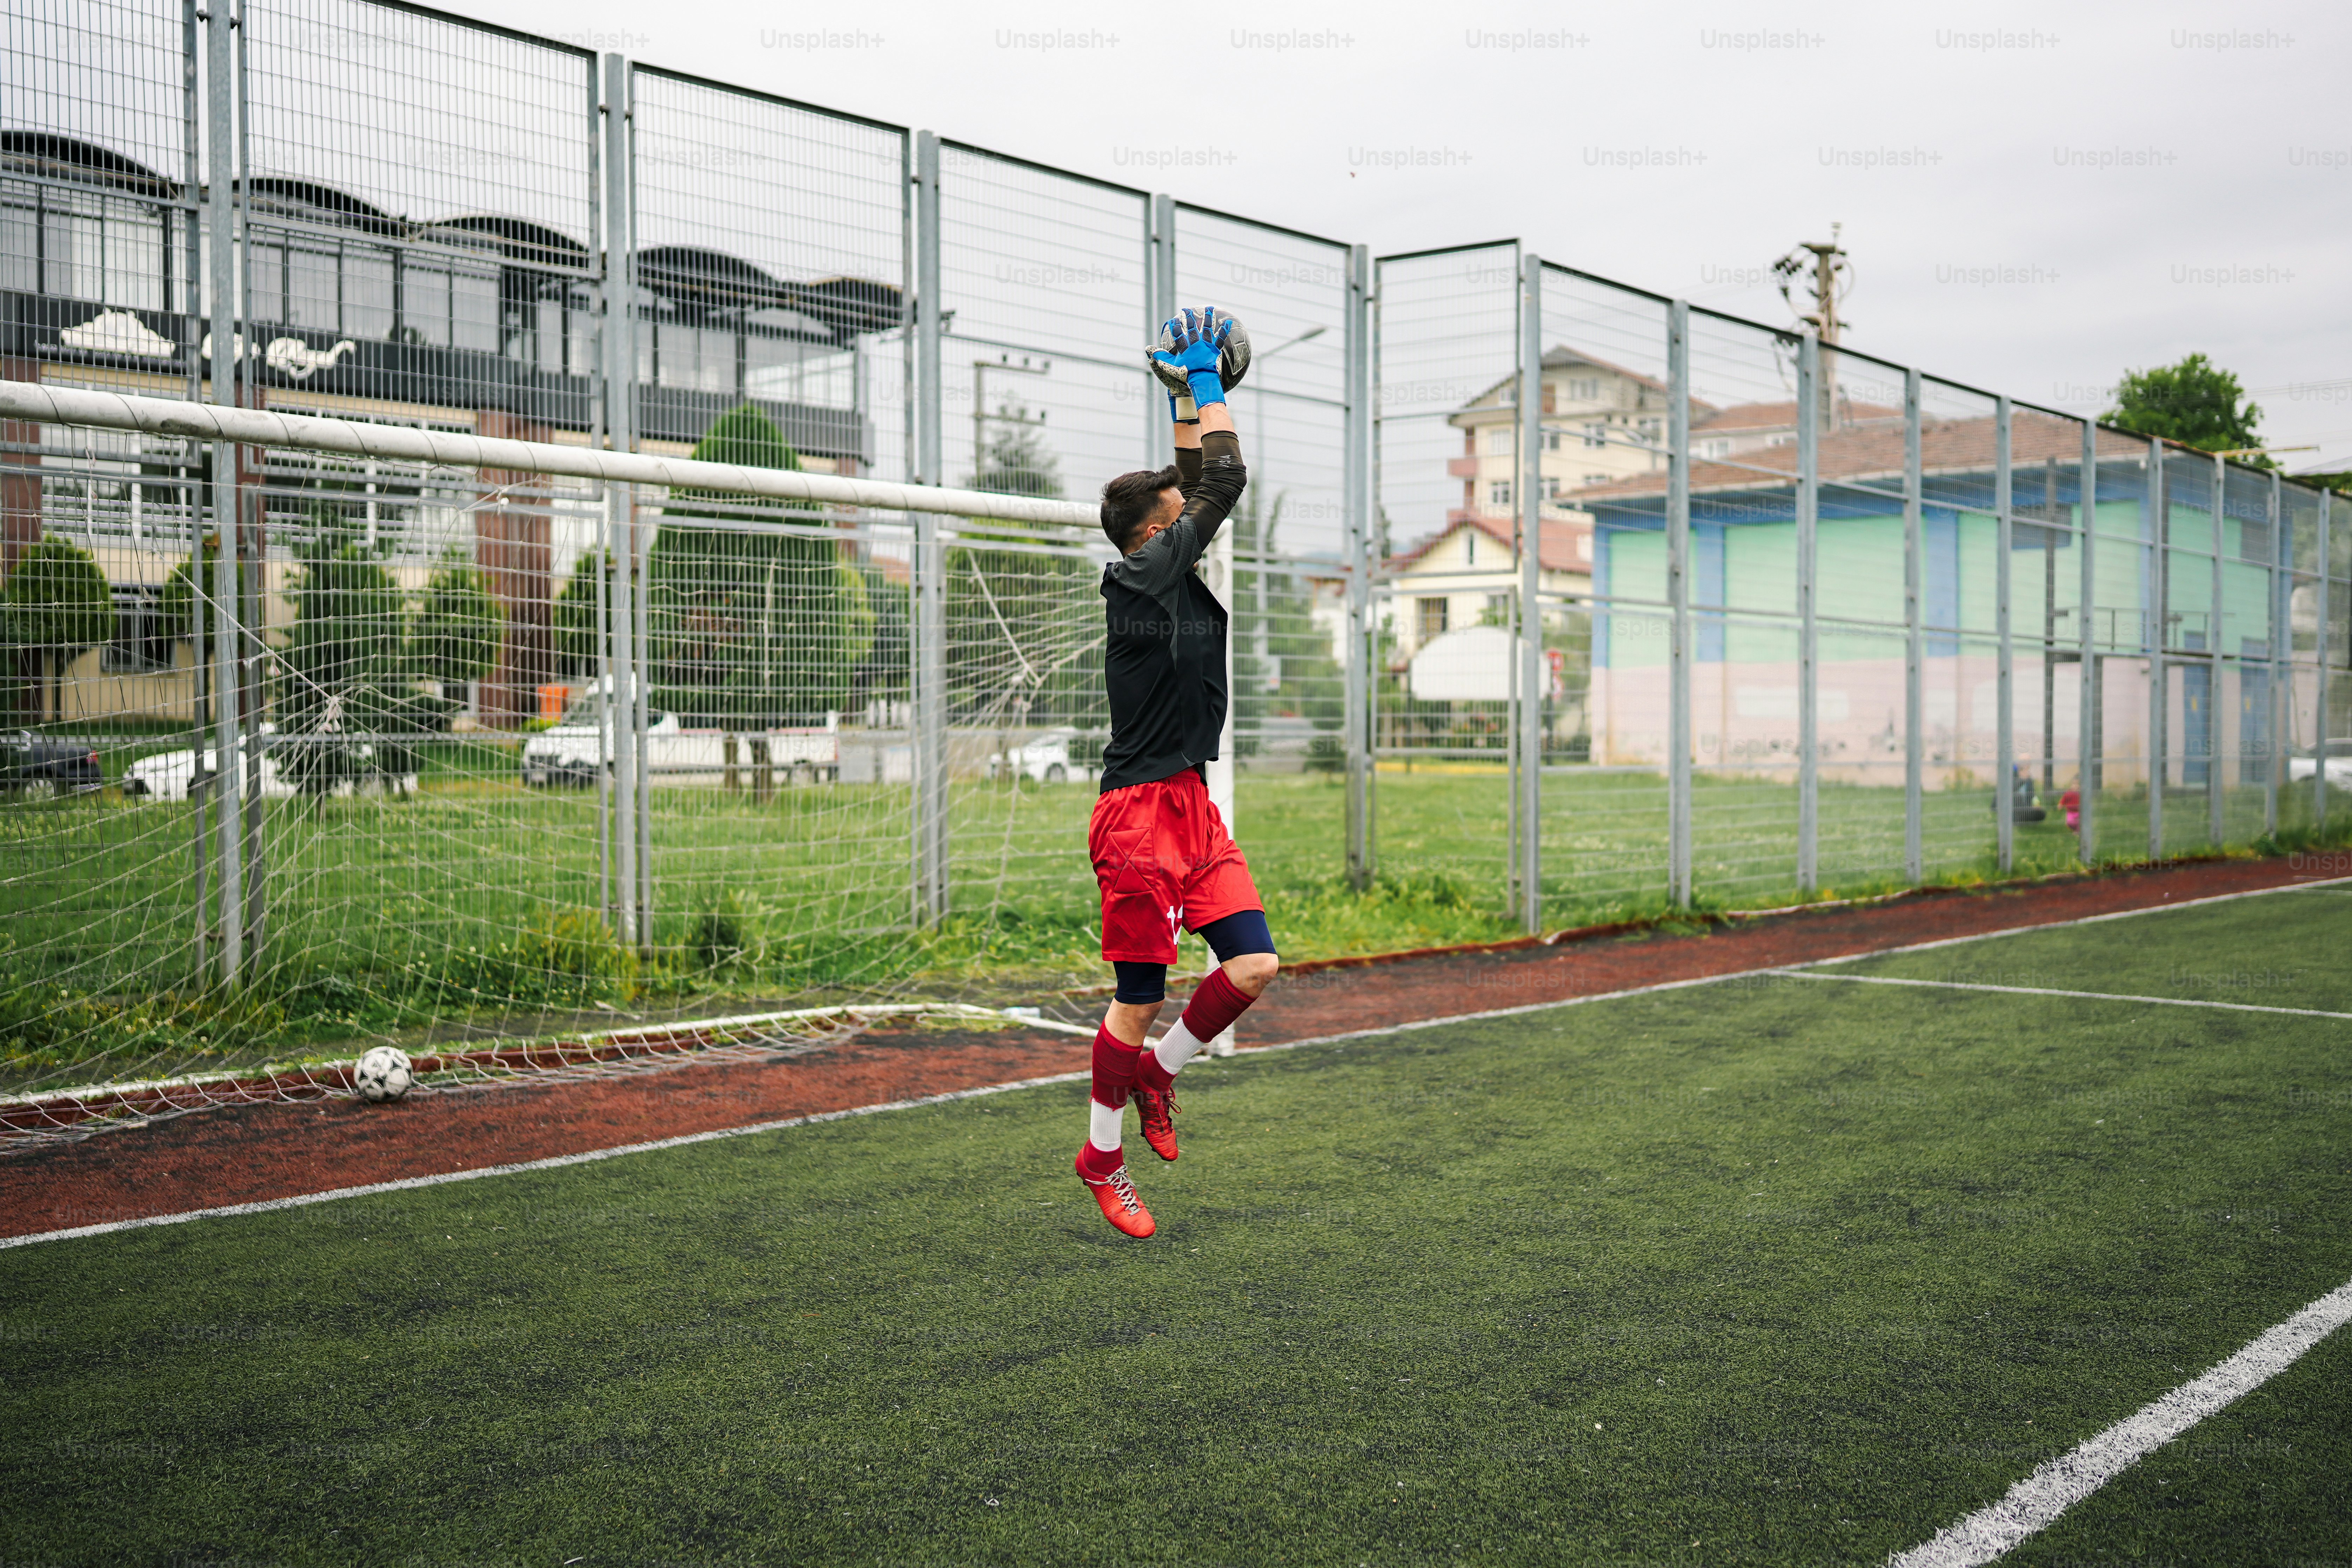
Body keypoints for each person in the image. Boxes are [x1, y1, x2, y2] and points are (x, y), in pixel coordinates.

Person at [1074, 307, 1280, 1239]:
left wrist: (1181, 406)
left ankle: (1161, 1075)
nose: (1189, 512)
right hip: (1137, 818)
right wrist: (1207, 381)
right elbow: (1227, 479)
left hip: (1190, 806)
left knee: (1254, 964)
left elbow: (1199, 480)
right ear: (1150, 537)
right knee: (1139, 996)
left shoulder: (1170, 566)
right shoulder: (1140, 575)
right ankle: (1101, 1158)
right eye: (1175, 514)